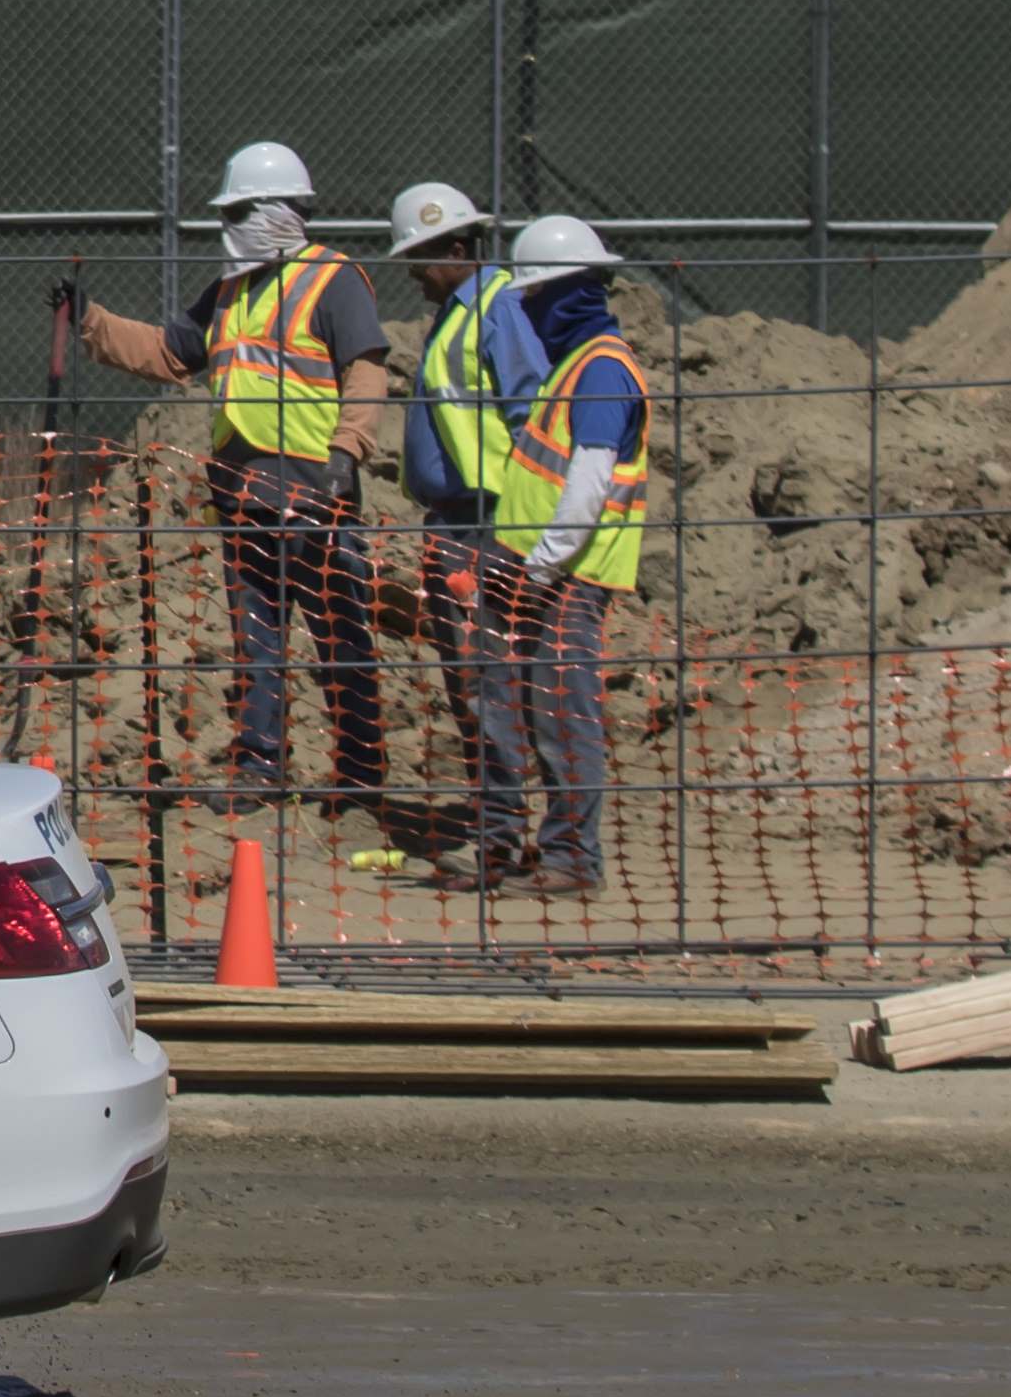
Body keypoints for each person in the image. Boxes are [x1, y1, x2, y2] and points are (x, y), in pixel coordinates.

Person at [69, 139, 392, 810]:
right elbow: (167, 352)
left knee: (339, 633)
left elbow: (365, 369)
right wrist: (90, 321)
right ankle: (258, 767)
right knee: (257, 638)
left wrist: (347, 450)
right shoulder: (228, 292)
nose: (230, 225)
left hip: (316, 491)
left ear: (279, 211)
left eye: (240, 211)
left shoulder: (332, 279)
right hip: (244, 493)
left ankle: (360, 775)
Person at [466, 218, 645, 896]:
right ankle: (519, 847)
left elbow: (588, 485)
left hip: (565, 577)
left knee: (562, 716)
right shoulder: (574, 364)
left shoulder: (600, 369)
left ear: (567, 292)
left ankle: (572, 859)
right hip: (534, 569)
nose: (530, 310)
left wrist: (539, 567)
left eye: (535, 294)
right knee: (517, 709)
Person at [384, 180, 548, 879]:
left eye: (419, 257)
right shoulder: (457, 313)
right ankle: (499, 824)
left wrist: (517, 530)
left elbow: (530, 416)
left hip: (485, 523)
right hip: (454, 523)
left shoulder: (495, 308)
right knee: (470, 681)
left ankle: (503, 835)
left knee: (486, 679)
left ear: (455, 248)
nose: (412, 273)